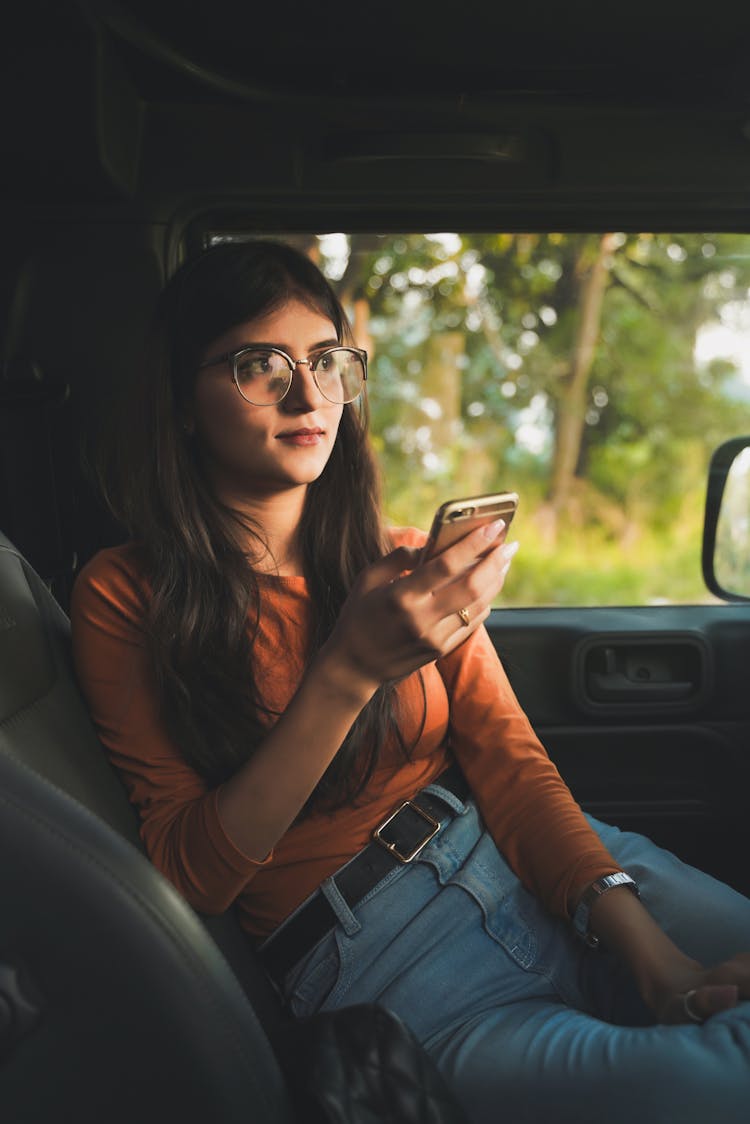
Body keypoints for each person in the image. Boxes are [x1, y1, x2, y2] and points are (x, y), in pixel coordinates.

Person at [70, 239, 750, 1123]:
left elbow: (512, 765)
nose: (309, 396)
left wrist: (651, 955)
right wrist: (349, 670)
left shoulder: (396, 562)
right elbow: (194, 878)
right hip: (379, 960)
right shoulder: (124, 594)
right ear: (184, 405)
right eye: (258, 367)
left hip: (546, 863)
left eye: (326, 361)